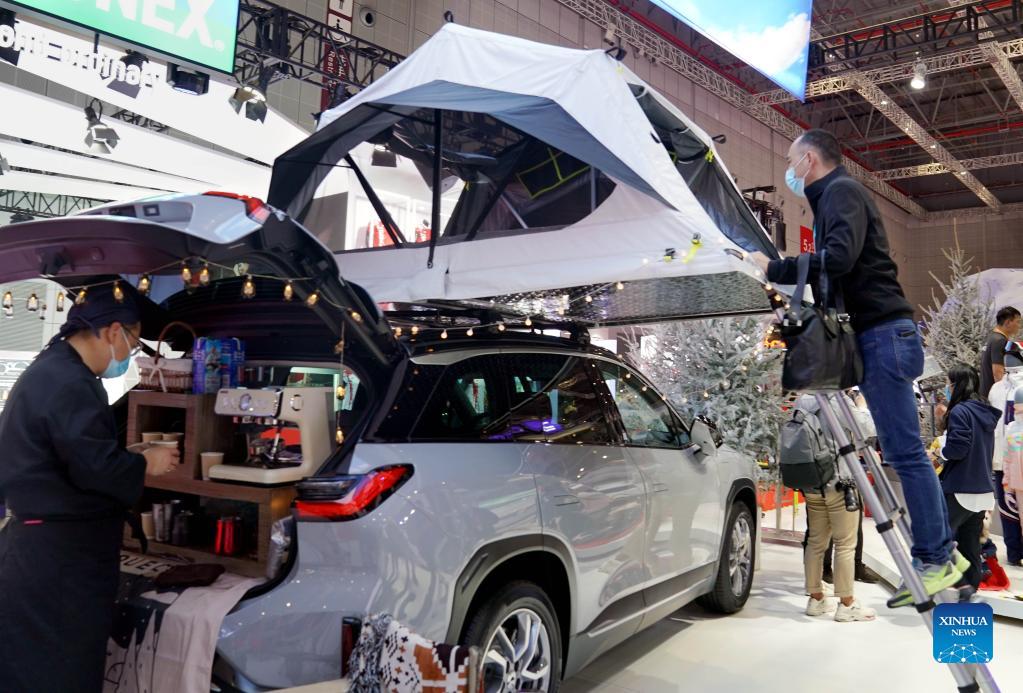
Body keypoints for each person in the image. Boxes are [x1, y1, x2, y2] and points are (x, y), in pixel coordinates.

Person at [752, 128, 967, 607]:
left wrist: (776, 267)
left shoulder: (842, 192)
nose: (789, 170)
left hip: (884, 336)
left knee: (905, 454)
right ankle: (941, 555)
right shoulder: (835, 196)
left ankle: (937, 559)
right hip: (880, 337)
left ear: (809, 160)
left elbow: (840, 259)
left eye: (791, 160)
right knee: (904, 452)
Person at [0, 282, 180, 692]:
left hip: (37, 552)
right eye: (134, 343)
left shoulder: (51, 369)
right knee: (59, 673)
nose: (130, 354)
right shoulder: (70, 382)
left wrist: (127, 455)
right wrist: (146, 462)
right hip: (60, 563)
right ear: (114, 331)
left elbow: (71, 455)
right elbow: (96, 470)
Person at [793, 395, 877, 622]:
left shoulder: (803, 400)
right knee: (845, 544)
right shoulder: (837, 399)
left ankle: (816, 599)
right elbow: (867, 429)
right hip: (840, 482)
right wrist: (862, 406)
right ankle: (847, 604)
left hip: (812, 482)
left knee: (815, 542)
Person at [935, 364, 1000, 600]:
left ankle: (922, 588)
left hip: (961, 487)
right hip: (981, 488)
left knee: (935, 536)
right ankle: (969, 593)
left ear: (957, 384)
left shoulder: (960, 412)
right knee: (969, 542)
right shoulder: (984, 412)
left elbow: (958, 448)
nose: (947, 387)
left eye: (949, 383)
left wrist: (941, 450)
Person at [980, 306, 1021, 399]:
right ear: (1008, 322)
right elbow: (998, 374)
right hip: (994, 399)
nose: (1019, 326)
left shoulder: (992, 337)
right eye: (1018, 322)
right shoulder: (999, 340)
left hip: (986, 395)